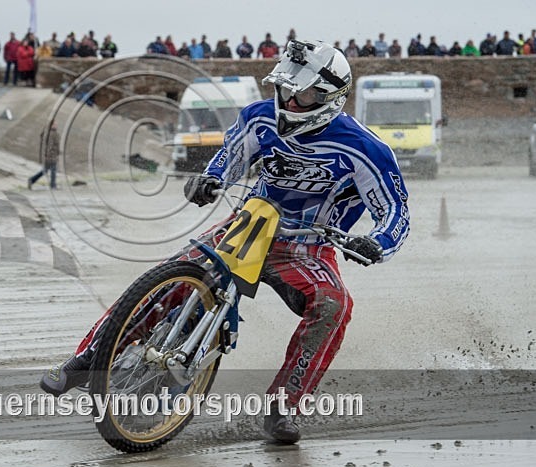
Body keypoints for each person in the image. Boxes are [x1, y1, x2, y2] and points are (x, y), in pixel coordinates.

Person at [39, 40, 410, 445]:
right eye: (286, 89)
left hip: (306, 246)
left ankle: (285, 403)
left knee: (335, 305)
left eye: (302, 94)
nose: (291, 100)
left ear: (330, 97)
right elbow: (229, 158)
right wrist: (211, 180)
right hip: (248, 223)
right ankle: (87, 358)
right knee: (170, 275)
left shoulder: (366, 148)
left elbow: (396, 213)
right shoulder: (258, 118)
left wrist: (377, 243)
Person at [27, 123, 59, 189]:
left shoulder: (49, 133)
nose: (56, 125)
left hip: (49, 155)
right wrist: (50, 154)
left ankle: (32, 180)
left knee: (45, 171)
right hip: (51, 156)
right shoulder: (51, 134)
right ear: (51, 125)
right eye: (54, 124)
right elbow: (50, 146)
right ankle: (53, 185)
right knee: (53, 169)